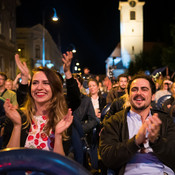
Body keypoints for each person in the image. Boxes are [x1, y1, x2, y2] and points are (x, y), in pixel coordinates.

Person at [99, 74, 175, 175]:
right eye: (134, 89)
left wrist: (156, 141)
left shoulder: (165, 120)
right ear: (128, 94)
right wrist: (135, 142)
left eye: (144, 89)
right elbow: (107, 158)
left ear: (152, 96)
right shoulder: (115, 121)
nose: (139, 93)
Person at [3, 66, 73, 156]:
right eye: (35, 83)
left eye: (46, 83)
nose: (39, 87)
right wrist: (17, 126)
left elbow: (60, 166)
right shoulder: (18, 116)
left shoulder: (62, 120)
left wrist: (58, 135)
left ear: (54, 88)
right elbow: (10, 159)